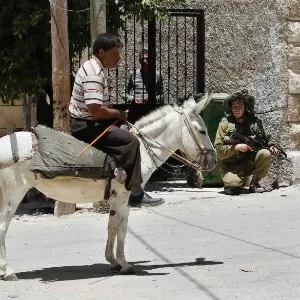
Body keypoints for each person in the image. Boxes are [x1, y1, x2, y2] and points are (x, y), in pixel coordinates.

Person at [69, 33, 164, 207]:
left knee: (125, 132)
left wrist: (115, 112)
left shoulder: (94, 68)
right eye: (116, 53)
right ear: (102, 52)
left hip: (90, 121)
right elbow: (96, 111)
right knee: (131, 142)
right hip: (87, 127)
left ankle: (117, 178)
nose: (119, 58)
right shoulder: (94, 74)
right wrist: (118, 114)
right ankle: (135, 192)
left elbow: (99, 104)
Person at [214, 90, 280, 195]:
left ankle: (255, 182)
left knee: (265, 153)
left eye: (240, 106)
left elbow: (267, 138)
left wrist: (272, 146)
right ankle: (237, 181)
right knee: (232, 188)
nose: (236, 109)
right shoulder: (225, 124)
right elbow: (218, 149)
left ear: (246, 107)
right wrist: (235, 148)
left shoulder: (254, 122)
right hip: (232, 165)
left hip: (250, 162)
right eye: (234, 106)